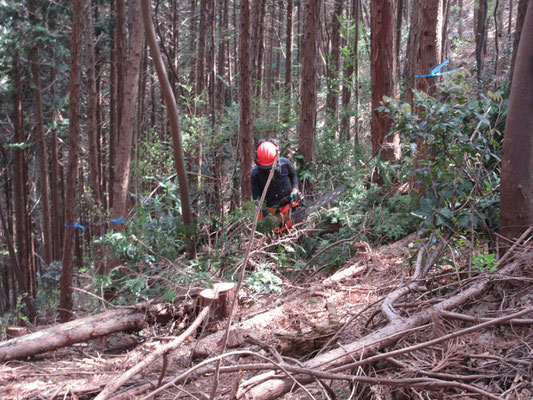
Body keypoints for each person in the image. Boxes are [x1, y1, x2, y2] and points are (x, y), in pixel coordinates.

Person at [251, 139, 300, 227]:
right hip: (269, 208)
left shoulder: (285, 163)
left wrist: (295, 188)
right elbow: (257, 198)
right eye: (265, 169)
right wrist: (268, 215)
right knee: (267, 232)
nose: (269, 171)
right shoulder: (255, 174)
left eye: (271, 167)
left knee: (291, 228)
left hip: (286, 204)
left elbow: (293, 176)